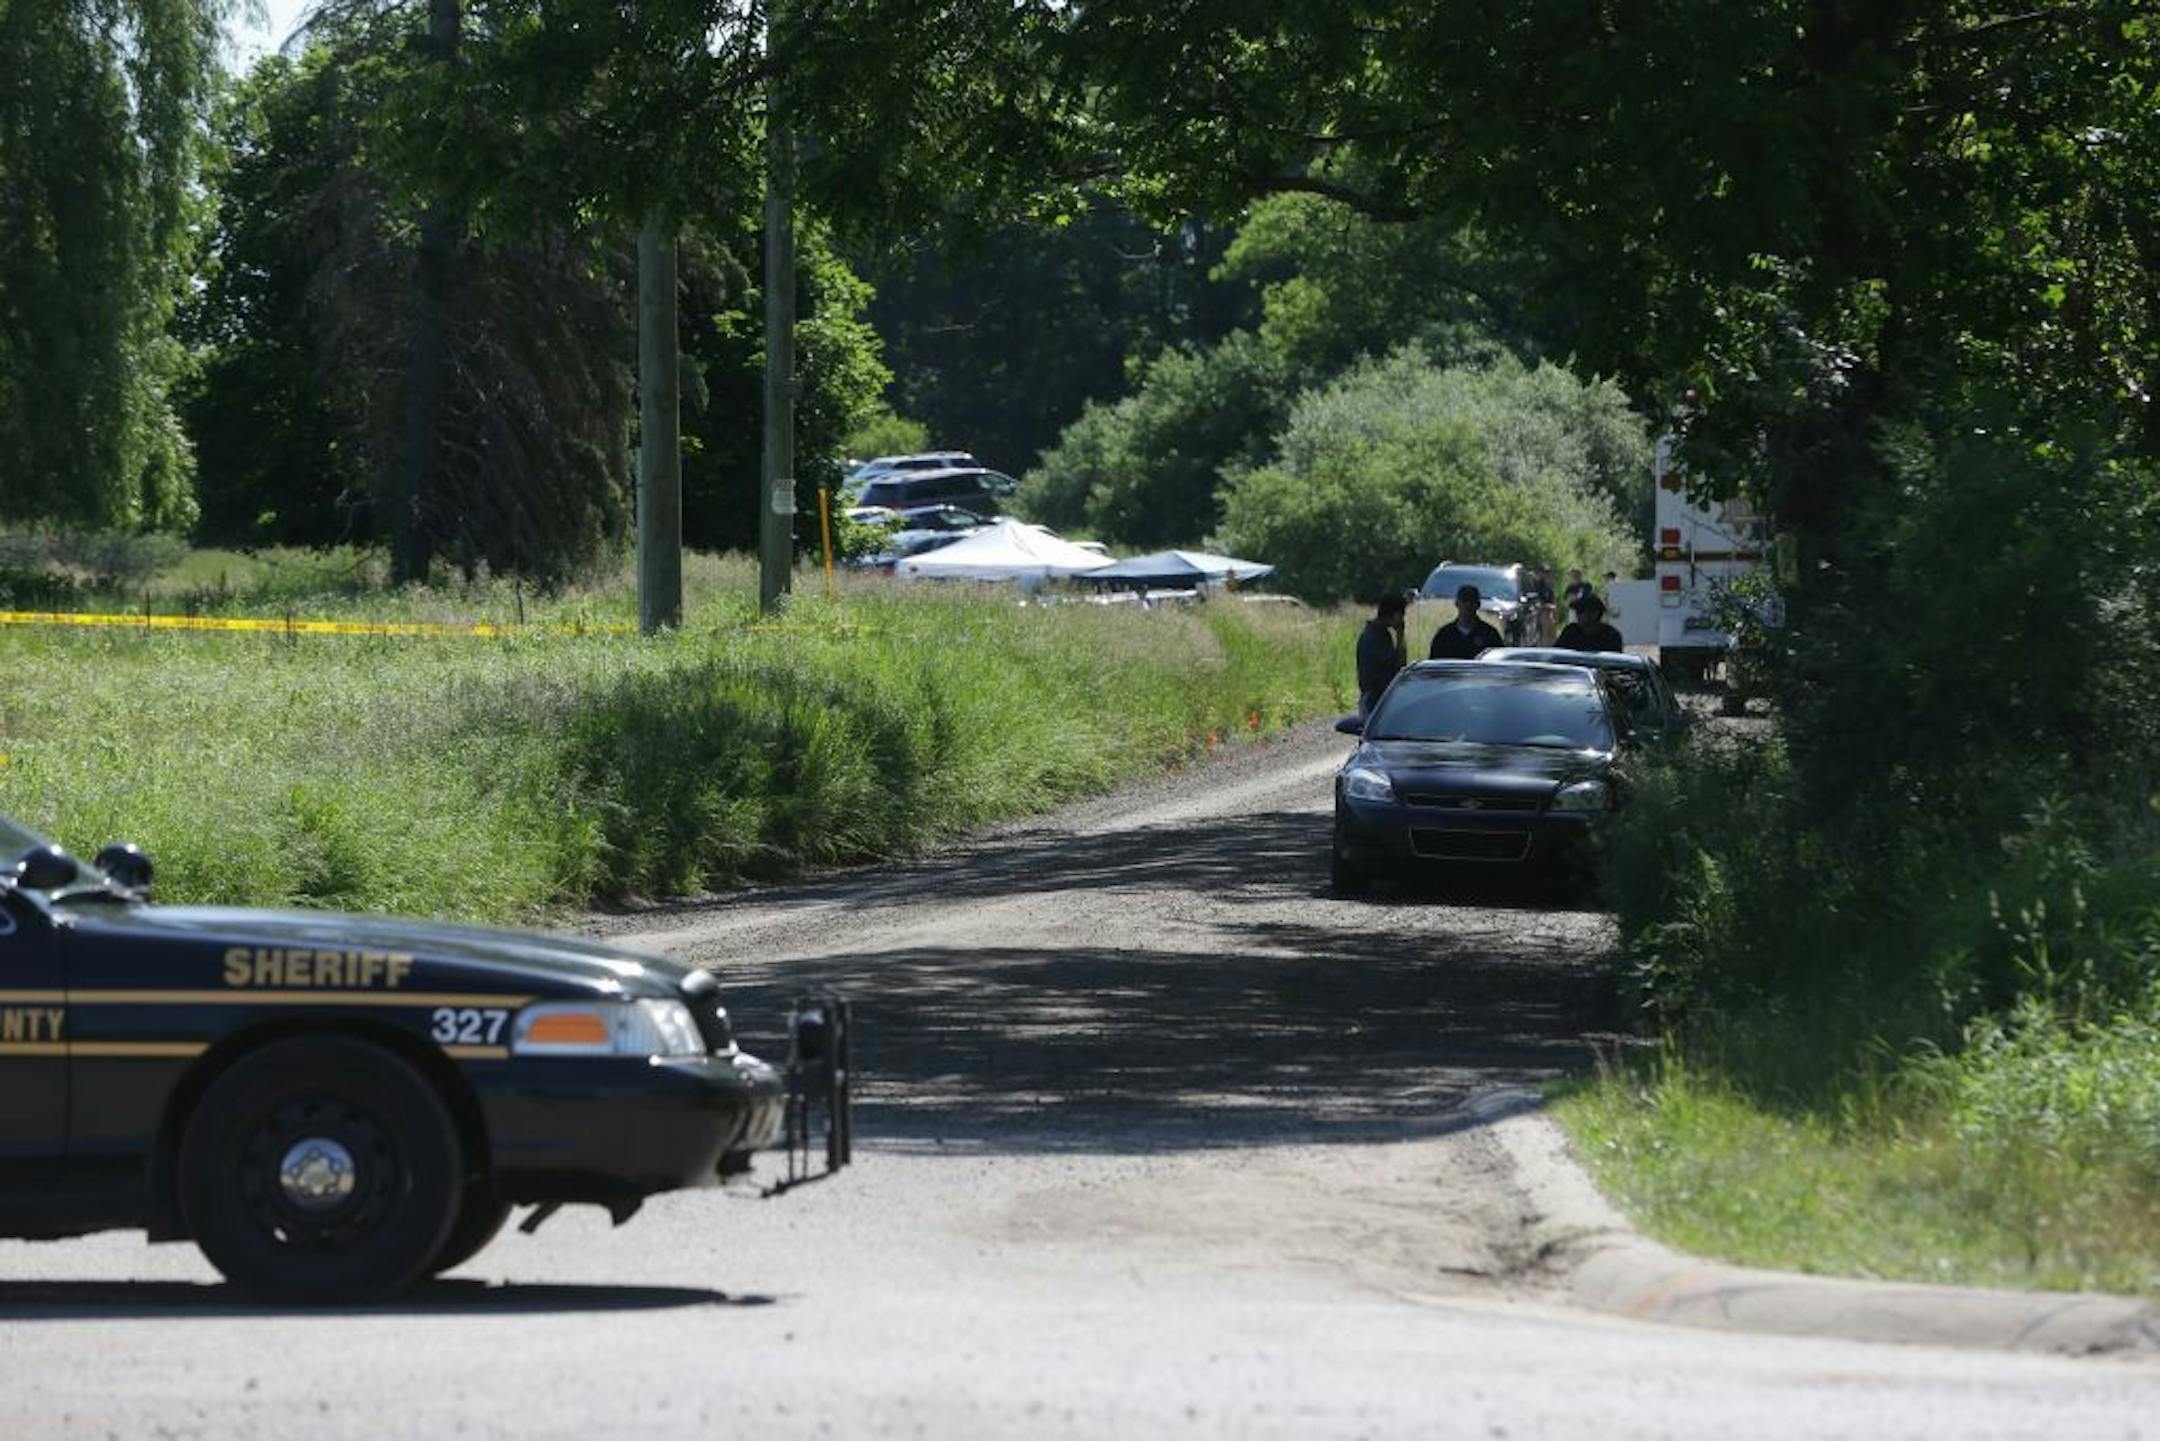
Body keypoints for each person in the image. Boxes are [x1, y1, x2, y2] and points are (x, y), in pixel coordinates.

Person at [1355, 592, 1408, 717]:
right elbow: (1400, 664)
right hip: (1374, 701)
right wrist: (1400, 635)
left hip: (1380, 698)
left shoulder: (1381, 634)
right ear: (1396, 615)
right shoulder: (1374, 638)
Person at [1429, 583, 1503, 660]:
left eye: (1471, 601)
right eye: (1464, 600)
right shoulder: (1444, 635)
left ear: (1478, 605)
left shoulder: (1489, 634)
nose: (1468, 605)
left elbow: (1499, 663)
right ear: (1457, 603)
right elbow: (1434, 664)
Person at [1555, 592, 1625, 652]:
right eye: (1577, 611)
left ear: (1595, 613)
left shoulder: (1611, 636)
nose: (1577, 615)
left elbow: (1616, 665)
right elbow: (1557, 655)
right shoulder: (1570, 632)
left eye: (1581, 610)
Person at [1524, 567, 1557, 645]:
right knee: (1545, 617)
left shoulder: (1548, 588)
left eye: (1547, 573)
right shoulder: (1532, 585)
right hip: (1533, 610)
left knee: (1549, 618)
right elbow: (1531, 598)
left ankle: (1550, 643)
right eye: (1543, 573)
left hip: (1546, 611)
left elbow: (1551, 601)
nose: (1545, 575)